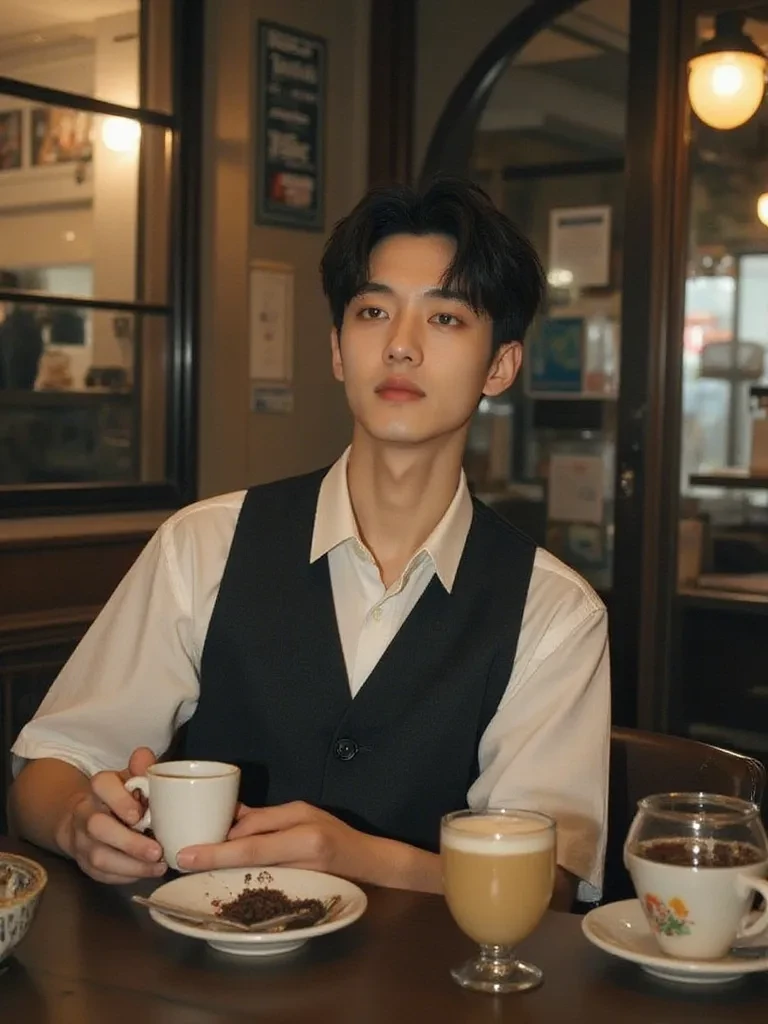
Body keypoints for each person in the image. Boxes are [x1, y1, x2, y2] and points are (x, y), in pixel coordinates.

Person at [8, 178, 610, 908]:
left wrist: (363, 859)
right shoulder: (205, 544)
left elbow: (549, 883)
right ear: (337, 349)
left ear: (500, 366)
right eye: (373, 311)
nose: (400, 346)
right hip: (194, 966)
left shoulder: (552, 610)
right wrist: (78, 822)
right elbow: (48, 767)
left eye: (446, 317)